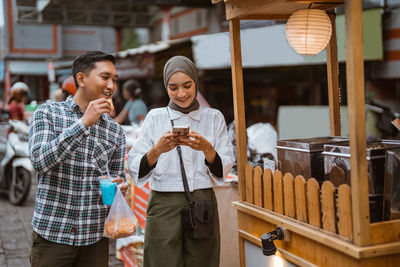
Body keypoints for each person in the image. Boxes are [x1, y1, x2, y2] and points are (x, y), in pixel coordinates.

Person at [127, 56, 234, 267]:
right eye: (173, 87)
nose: (181, 94)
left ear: (196, 82)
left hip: (202, 199)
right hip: (163, 202)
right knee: (161, 260)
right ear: (165, 86)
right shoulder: (155, 117)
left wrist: (207, 149)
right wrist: (157, 150)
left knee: (202, 260)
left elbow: (225, 166)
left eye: (187, 85)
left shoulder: (213, 117)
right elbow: (134, 165)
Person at [29, 51, 128, 267]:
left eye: (114, 79)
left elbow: (117, 177)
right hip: (52, 235)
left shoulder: (116, 132)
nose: (111, 85)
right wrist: (83, 123)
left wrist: (121, 187)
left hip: (95, 238)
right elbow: (39, 161)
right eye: (105, 77)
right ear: (81, 79)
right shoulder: (48, 113)